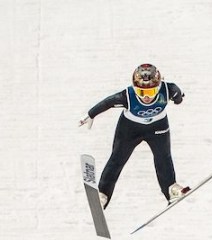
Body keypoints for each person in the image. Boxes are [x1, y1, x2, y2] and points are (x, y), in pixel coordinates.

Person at [79, 63, 189, 209]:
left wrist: (178, 98)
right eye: (142, 93)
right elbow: (108, 102)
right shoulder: (127, 95)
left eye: (152, 92)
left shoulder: (169, 89)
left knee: (163, 157)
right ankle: (103, 194)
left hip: (158, 127)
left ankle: (170, 189)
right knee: (117, 159)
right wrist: (91, 114)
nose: (147, 97)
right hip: (130, 129)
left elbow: (178, 97)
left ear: (159, 85)